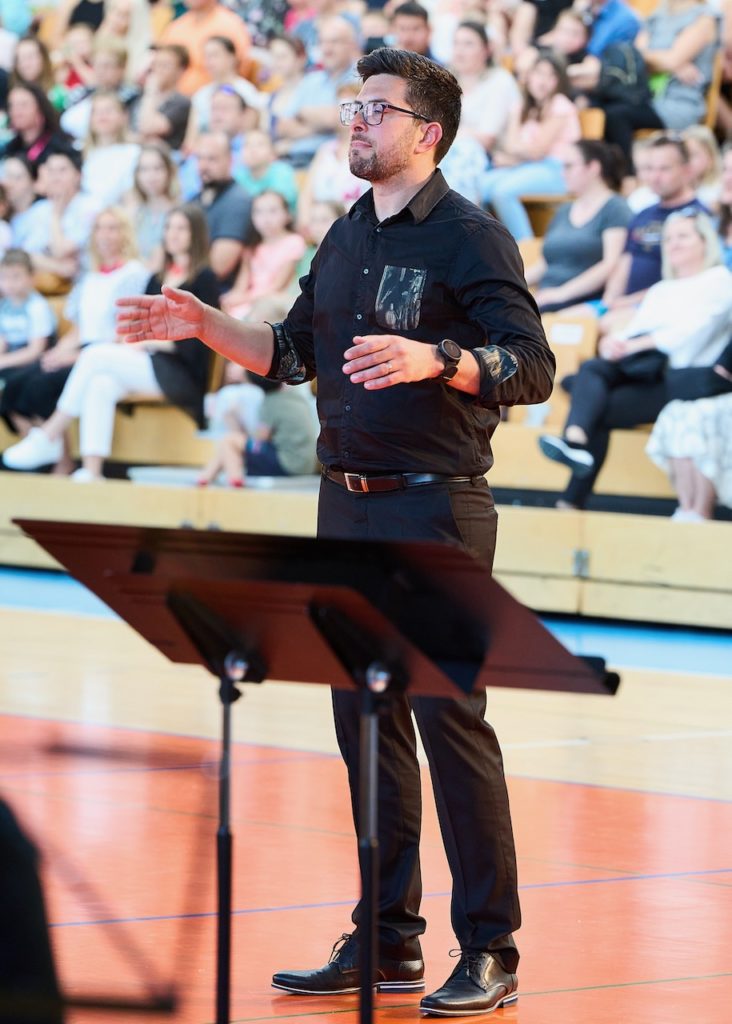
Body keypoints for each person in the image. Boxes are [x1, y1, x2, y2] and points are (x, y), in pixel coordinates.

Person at [118, 47, 554, 1015]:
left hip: (434, 505)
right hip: (344, 502)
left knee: (449, 722)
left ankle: (492, 947)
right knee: (363, 722)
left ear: (427, 133)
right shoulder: (348, 231)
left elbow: (531, 366)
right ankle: (388, 937)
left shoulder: (472, 236)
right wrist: (207, 325)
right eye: (354, 104)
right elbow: (291, 352)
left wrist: (439, 359)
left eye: (377, 108)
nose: (357, 118)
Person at [2, 204, 218, 479]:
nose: (172, 234)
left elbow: (200, 336)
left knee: (95, 355)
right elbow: (139, 326)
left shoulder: (204, 278)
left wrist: (146, 342)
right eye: (168, 227)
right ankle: (92, 472)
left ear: (195, 233)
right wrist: (141, 341)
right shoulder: (157, 278)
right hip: (148, 361)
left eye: (181, 228)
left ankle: (49, 434)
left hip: (180, 371)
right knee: (100, 384)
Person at [538, 211, 732, 508]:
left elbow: (690, 335)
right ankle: (574, 445)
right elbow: (634, 330)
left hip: (682, 379)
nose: (673, 243)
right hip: (644, 373)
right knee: (593, 368)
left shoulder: (719, 282)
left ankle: (573, 473)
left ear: (705, 241)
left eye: (683, 236)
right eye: (668, 238)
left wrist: (633, 344)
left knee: (591, 399)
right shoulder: (662, 288)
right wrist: (614, 344)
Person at [0, 207, 149, 465]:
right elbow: (80, 328)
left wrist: (75, 356)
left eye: (112, 228)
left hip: (108, 352)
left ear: (125, 234)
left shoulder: (135, 274)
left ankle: (60, 456)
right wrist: (57, 352)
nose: (105, 235)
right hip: (82, 348)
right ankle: (42, 450)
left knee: (40, 386)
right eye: (99, 229)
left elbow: (125, 331)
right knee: (17, 383)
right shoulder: (90, 277)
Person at [481, 52, 581, 240]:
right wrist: (518, 154)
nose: (543, 81)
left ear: (559, 81)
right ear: (530, 76)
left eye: (551, 76)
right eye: (539, 73)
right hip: (529, 167)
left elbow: (536, 151)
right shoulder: (524, 106)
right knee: (478, 186)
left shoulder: (560, 105)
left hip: (558, 171)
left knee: (503, 192)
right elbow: (510, 145)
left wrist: (515, 157)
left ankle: (525, 249)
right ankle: (484, 243)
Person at [525, 139, 631, 312]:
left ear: (593, 168)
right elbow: (546, 263)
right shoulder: (564, 210)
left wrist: (561, 294)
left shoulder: (615, 208)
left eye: (569, 166)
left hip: (581, 300)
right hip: (546, 297)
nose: (562, 174)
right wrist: (511, 283)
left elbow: (611, 264)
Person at [646, 343, 732, 519]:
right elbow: (720, 372)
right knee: (677, 412)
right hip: (716, 391)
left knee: (707, 415)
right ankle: (687, 509)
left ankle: (701, 510)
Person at [197, 372, 318, 485]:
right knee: (230, 443)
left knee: (229, 440)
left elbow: (260, 440)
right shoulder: (295, 398)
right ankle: (206, 477)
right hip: (306, 465)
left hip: (288, 465)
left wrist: (234, 423)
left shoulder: (272, 401)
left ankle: (234, 480)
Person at [222, 189, 306, 319]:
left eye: (273, 211)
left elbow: (278, 286)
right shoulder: (252, 247)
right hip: (248, 302)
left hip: (273, 303)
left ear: (287, 214)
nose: (266, 219)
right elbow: (241, 286)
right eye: (258, 212)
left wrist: (242, 299)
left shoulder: (294, 242)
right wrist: (231, 298)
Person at [0, 249, 56, 388]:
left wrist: (3, 361)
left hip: (33, 362)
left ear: (32, 278)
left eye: (16, 277)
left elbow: (35, 351)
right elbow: (2, 341)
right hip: (11, 358)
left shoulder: (37, 306)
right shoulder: (4, 305)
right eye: (4, 277)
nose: (9, 283)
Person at [122, 142, 180, 270]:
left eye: (157, 168)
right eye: (144, 169)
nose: (151, 176)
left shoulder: (180, 212)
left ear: (169, 171)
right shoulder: (133, 213)